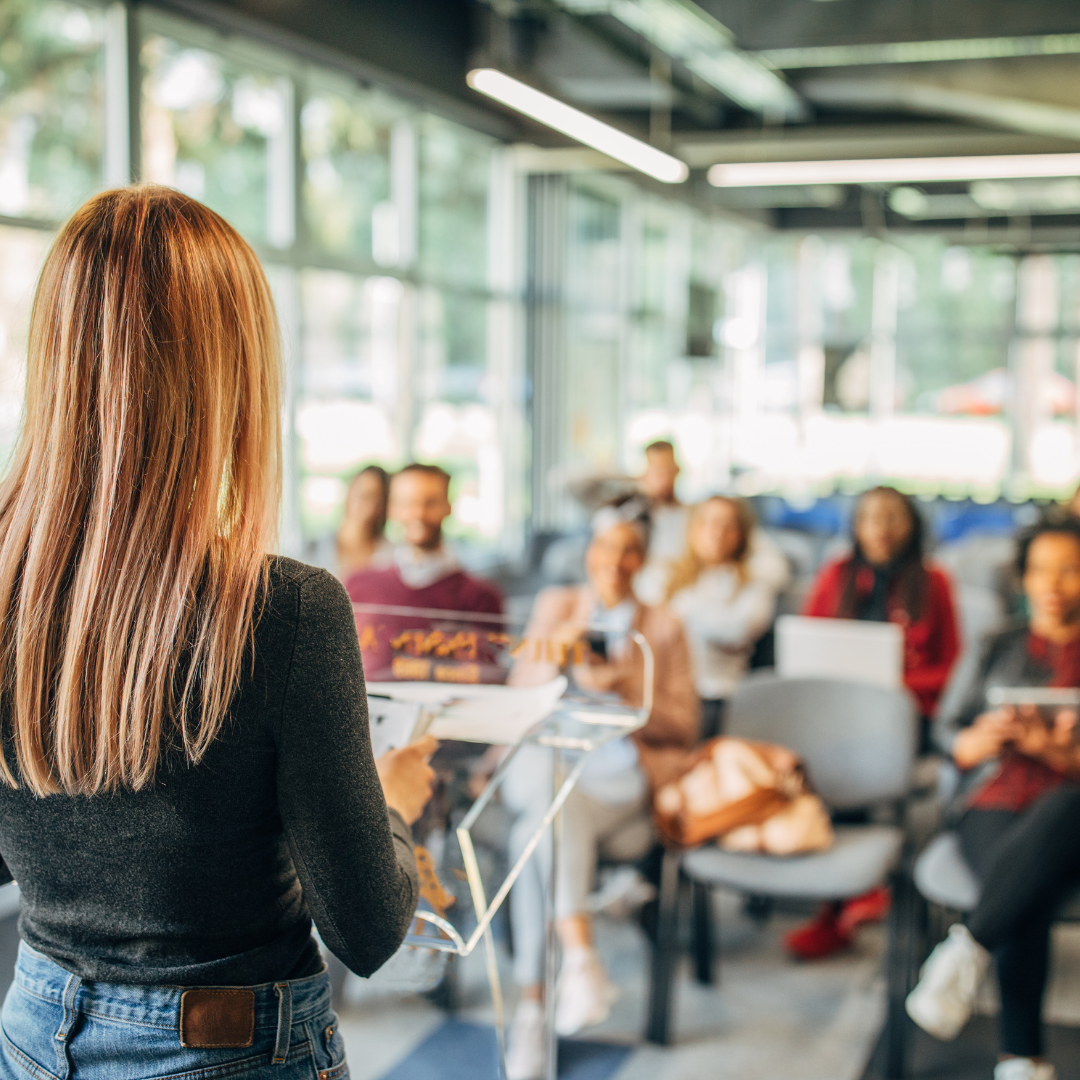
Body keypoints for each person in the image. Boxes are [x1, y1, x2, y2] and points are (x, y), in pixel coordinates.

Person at [0, 186, 436, 1076]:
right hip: (229, 1046)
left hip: (37, 1031)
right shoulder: (288, 610)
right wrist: (392, 797)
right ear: (230, 374)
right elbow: (368, 929)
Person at [502, 502, 698, 1080]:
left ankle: (533, 1010)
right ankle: (579, 953)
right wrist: (557, 650)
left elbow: (684, 725)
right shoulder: (557, 605)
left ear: (643, 559)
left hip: (613, 769)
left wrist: (626, 686)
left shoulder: (664, 624)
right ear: (587, 552)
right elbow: (518, 693)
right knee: (547, 786)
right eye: (603, 548)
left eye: (627, 550)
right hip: (544, 755)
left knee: (532, 834)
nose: (613, 562)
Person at [906, 518, 1080, 1080]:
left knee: (1064, 806)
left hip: (1072, 809)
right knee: (1024, 887)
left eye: (1070, 572)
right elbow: (945, 731)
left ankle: (969, 950)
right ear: (1023, 578)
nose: (1053, 585)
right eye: (1041, 571)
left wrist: (1057, 757)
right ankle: (1023, 1062)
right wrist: (970, 742)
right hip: (995, 799)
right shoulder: (996, 643)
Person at [789, 485, 961, 960]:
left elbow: (952, 669)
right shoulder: (836, 576)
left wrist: (893, 680)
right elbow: (809, 646)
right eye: (871, 518)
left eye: (893, 518)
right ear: (856, 527)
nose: (882, 529)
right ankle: (837, 901)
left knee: (862, 761)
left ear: (912, 525)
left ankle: (865, 892)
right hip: (838, 715)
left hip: (907, 719)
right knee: (826, 758)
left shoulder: (935, 583)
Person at [345, 463, 503, 680]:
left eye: (430, 502)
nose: (418, 513)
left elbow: (484, 674)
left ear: (448, 507)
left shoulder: (481, 596)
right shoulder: (358, 586)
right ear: (392, 509)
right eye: (407, 503)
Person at [666, 496, 779, 738]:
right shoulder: (671, 577)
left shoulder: (753, 581)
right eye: (708, 523)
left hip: (720, 695)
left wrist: (682, 612)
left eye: (728, 525)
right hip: (669, 691)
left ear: (742, 533)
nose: (716, 533)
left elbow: (738, 629)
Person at [335, 465, 394, 578]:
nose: (362, 502)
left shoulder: (393, 557)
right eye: (359, 492)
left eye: (373, 496)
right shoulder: (313, 548)